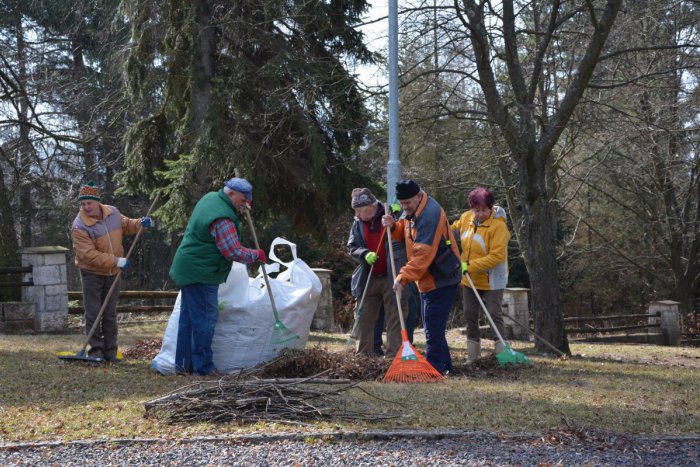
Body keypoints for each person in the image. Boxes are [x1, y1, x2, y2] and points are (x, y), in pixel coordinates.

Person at [169, 178, 266, 375]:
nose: (245, 205)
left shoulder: (211, 198)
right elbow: (231, 251)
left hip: (189, 267)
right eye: (242, 200)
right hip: (201, 272)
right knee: (205, 320)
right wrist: (256, 255)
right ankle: (203, 368)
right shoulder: (222, 217)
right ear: (230, 194)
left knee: (188, 319)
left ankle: (183, 365)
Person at [382, 179, 462, 374]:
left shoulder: (430, 215)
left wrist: (402, 277)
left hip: (442, 276)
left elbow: (422, 254)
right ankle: (444, 366)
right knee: (433, 324)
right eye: (402, 204)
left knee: (432, 325)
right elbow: (406, 234)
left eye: (408, 203)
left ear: (418, 195)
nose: (405, 207)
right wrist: (393, 227)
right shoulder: (413, 210)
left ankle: (433, 368)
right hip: (428, 277)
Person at [71, 181, 152, 362]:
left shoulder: (112, 213)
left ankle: (110, 352)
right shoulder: (79, 226)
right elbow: (88, 255)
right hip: (91, 273)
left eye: (88, 203)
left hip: (113, 272)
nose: (86, 207)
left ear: (97, 201)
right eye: (82, 204)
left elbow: (127, 225)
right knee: (94, 313)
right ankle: (96, 352)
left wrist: (140, 223)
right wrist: (116, 260)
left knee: (109, 313)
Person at [451, 187, 510, 363]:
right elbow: (452, 230)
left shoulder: (498, 227)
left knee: (493, 313)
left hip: (492, 280)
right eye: (476, 210)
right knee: (470, 314)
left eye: (484, 210)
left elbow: (496, 257)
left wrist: (469, 266)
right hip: (470, 279)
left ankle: (502, 353)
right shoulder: (466, 218)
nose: (480, 214)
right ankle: (472, 355)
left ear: (491, 208)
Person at [347, 187, 408, 358]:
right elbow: (351, 247)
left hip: (393, 276)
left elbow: (406, 237)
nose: (357, 214)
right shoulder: (357, 223)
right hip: (369, 276)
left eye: (360, 210)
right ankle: (363, 357)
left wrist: (394, 224)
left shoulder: (392, 215)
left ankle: (392, 357)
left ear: (371, 206)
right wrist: (364, 254)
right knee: (364, 317)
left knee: (395, 316)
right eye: (356, 211)